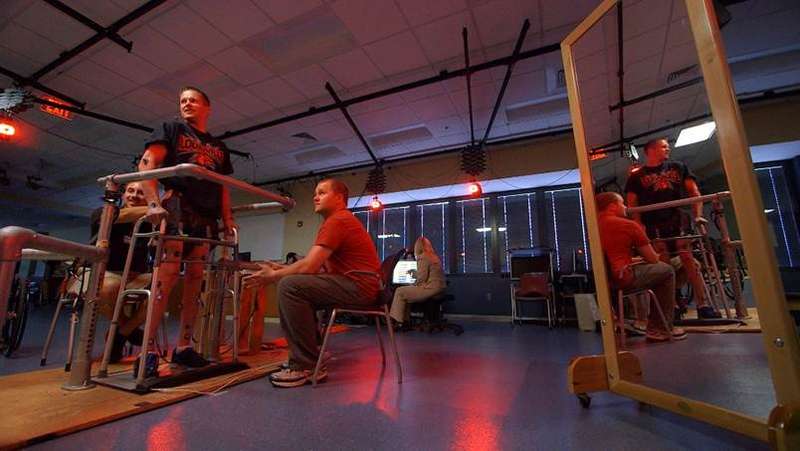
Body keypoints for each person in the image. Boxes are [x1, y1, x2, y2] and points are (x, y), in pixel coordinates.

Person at [136, 86, 237, 377]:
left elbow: (222, 184)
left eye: (193, 100)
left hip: (205, 215)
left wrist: (227, 218)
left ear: (208, 107)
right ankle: (147, 352)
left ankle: (183, 348)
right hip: (178, 205)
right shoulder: (170, 128)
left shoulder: (219, 146)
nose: (186, 103)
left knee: (195, 278)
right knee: (166, 278)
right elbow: (148, 163)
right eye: (182, 100)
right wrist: (153, 203)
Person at [243, 178, 380, 388]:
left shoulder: (337, 220)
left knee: (290, 287)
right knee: (295, 283)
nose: (315, 197)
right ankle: (312, 355)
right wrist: (281, 269)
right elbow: (314, 267)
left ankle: (305, 365)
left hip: (360, 288)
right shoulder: (339, 220)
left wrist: (273, 276)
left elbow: (309, 266)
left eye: (322, 192)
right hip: (360, 285)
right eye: (315, 193)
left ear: (339, 198)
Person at [625, 138, 721, 319]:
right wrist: (639, 229)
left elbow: (694, 193)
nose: (668, 149)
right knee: (664, 263)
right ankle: (673, 305)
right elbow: (632, 205)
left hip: (677, 219)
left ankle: (703, 304)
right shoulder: (636, 177)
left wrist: (698, 215)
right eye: (663, 147)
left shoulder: (678, 167)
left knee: (687, 258)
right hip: (653, 223)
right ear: (651, 150)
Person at [66, 182, 151, 362]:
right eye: (130, 191)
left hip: (134, 276)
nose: (134, 195)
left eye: (141, 192)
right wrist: (154, 208)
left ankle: (120, 335)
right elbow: (111, 215)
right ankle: (127, 330)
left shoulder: (149, 225)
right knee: (108, 288)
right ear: (122, 195)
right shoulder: (103, 213)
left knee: (163, 288)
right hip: (99, 271)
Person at [596, 192, 687, 342]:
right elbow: (652, 259)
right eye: (622, 203)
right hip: (623, 279)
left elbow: (611, 257)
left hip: (606, 281)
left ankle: (647, 321)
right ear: (612, 206)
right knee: (667, 270)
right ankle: (660, 328)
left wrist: (634, 260)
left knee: (656, 271)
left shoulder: (593, 227)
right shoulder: (628, 225)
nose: (625, 207)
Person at [389, 236, 446, 328]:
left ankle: (397, 322)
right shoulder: (433, 256)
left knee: (399, 291)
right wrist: (414, 273)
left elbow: (421, 278)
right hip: (439, 287)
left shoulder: (423, 257)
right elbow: (428, 274)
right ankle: (405, 321)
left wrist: (413, 283)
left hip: (430, 288)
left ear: (418, 247)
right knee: (406, 293)